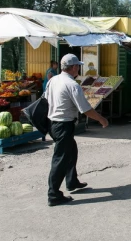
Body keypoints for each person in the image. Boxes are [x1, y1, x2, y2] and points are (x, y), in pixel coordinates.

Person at [44, 54, 109, 206]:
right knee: (60, 160)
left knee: (71, 151)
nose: (79, 68)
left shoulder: (53, 80)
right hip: (63, 125)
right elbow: (85, 109)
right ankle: (53, 195)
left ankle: (72, 181)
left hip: (53, 123)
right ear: (73, 67)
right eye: (78, 66)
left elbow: (46, 98)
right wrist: (101, 119)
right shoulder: (72, 85)